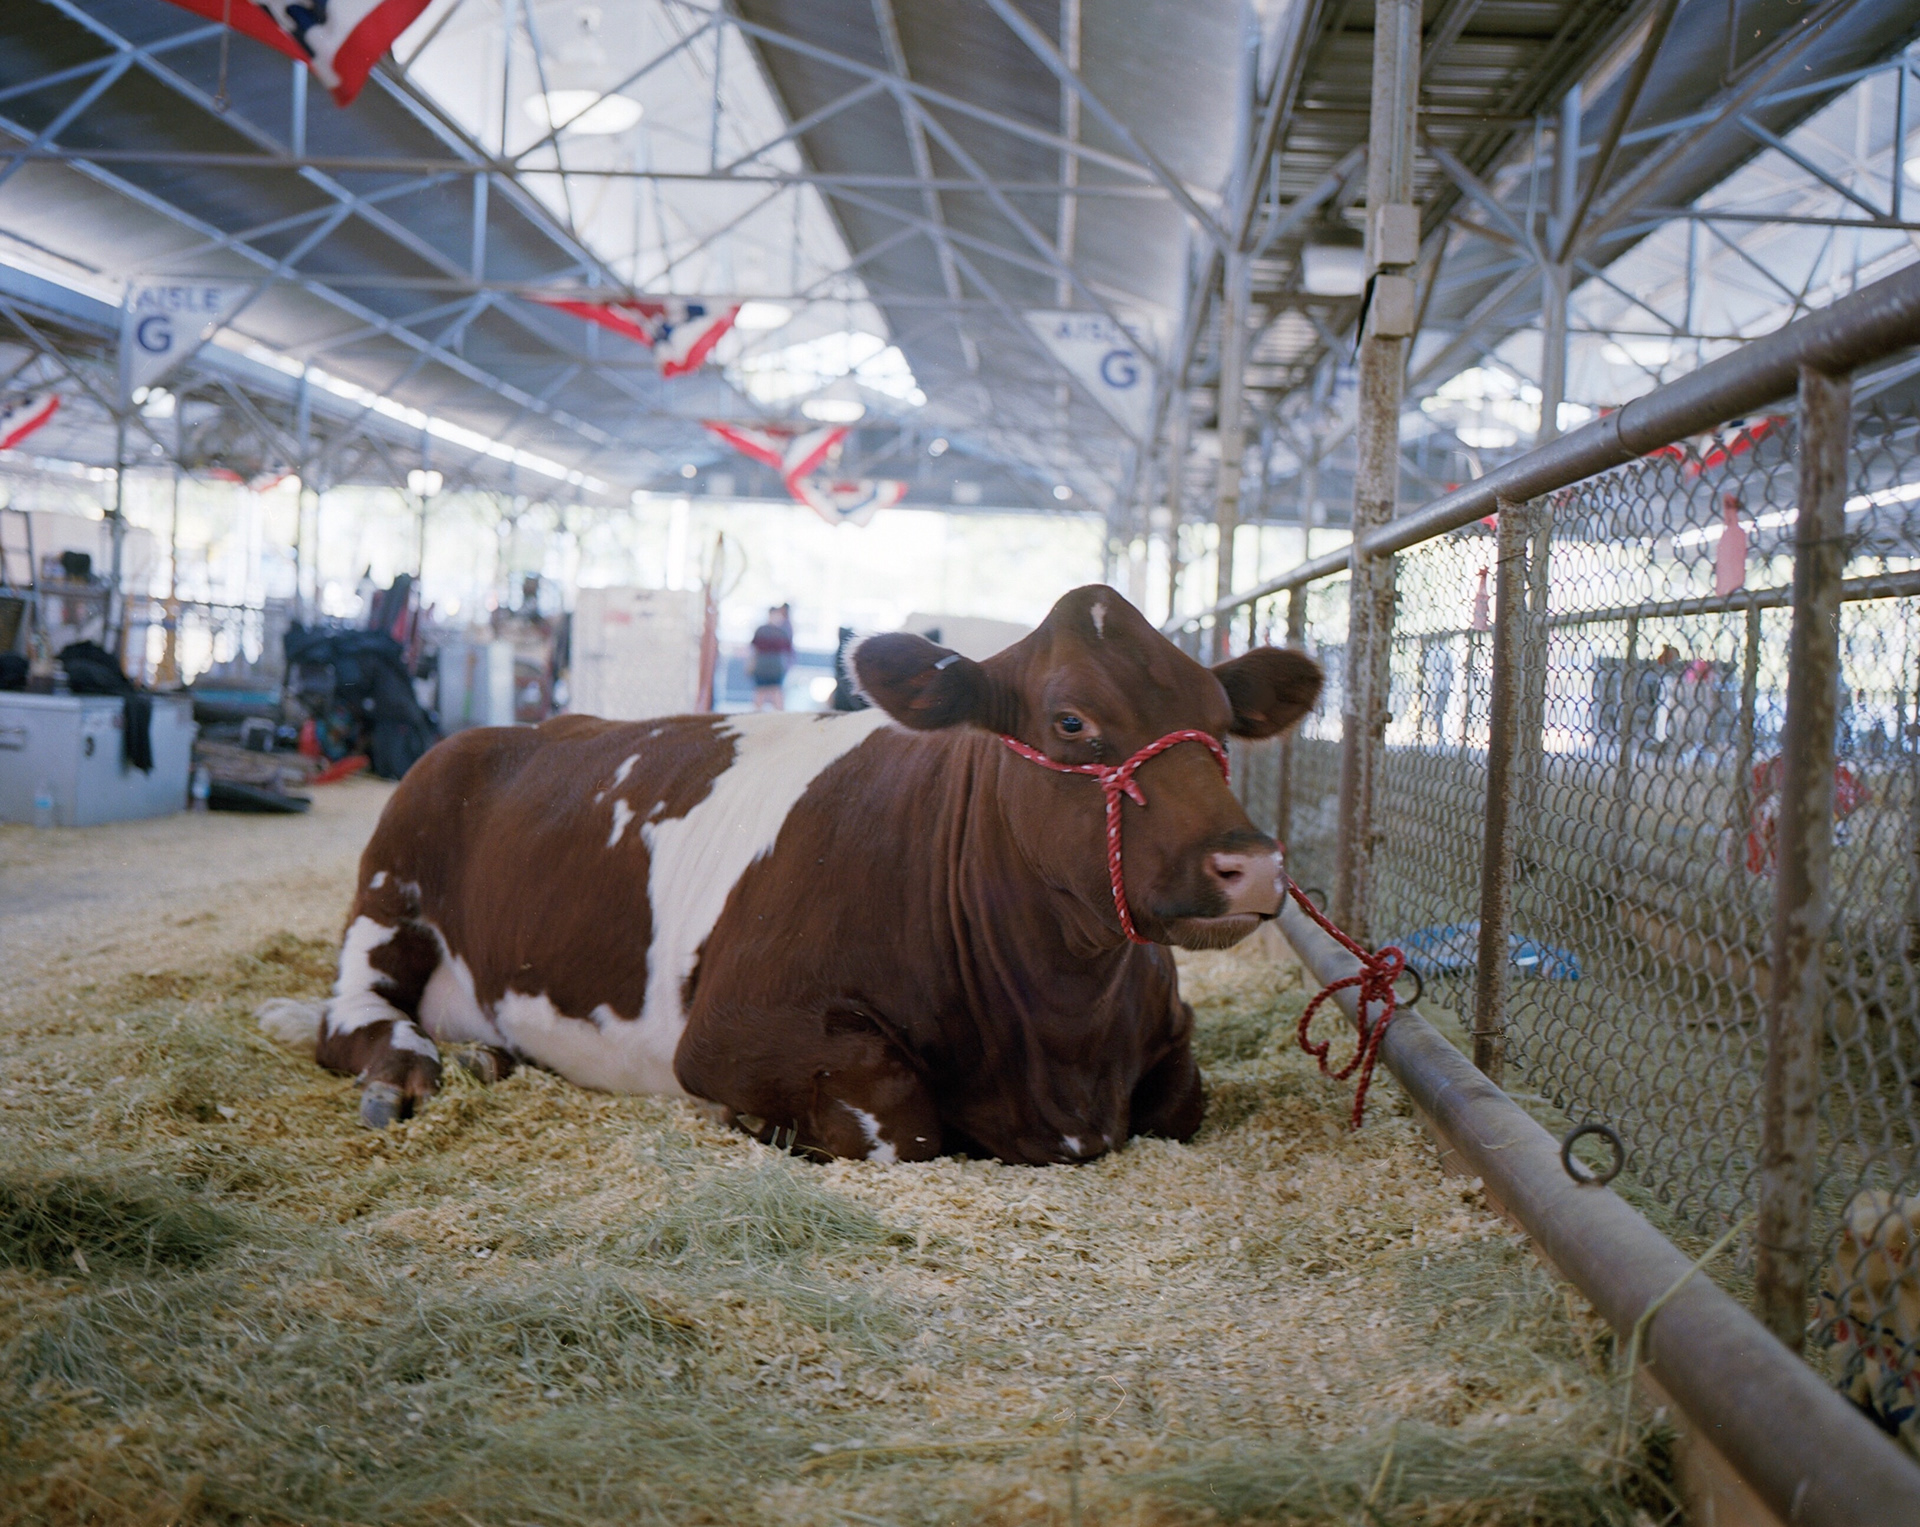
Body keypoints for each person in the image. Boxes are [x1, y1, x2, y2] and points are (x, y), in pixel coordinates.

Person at [749, 603, 794, 710]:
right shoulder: (763, 630)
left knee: (775, 692)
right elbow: (754, 650)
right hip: (764, 666)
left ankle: (776, 717)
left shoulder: (782, 631)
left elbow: (788, 652)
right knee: (761, 692)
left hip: (775, 667)